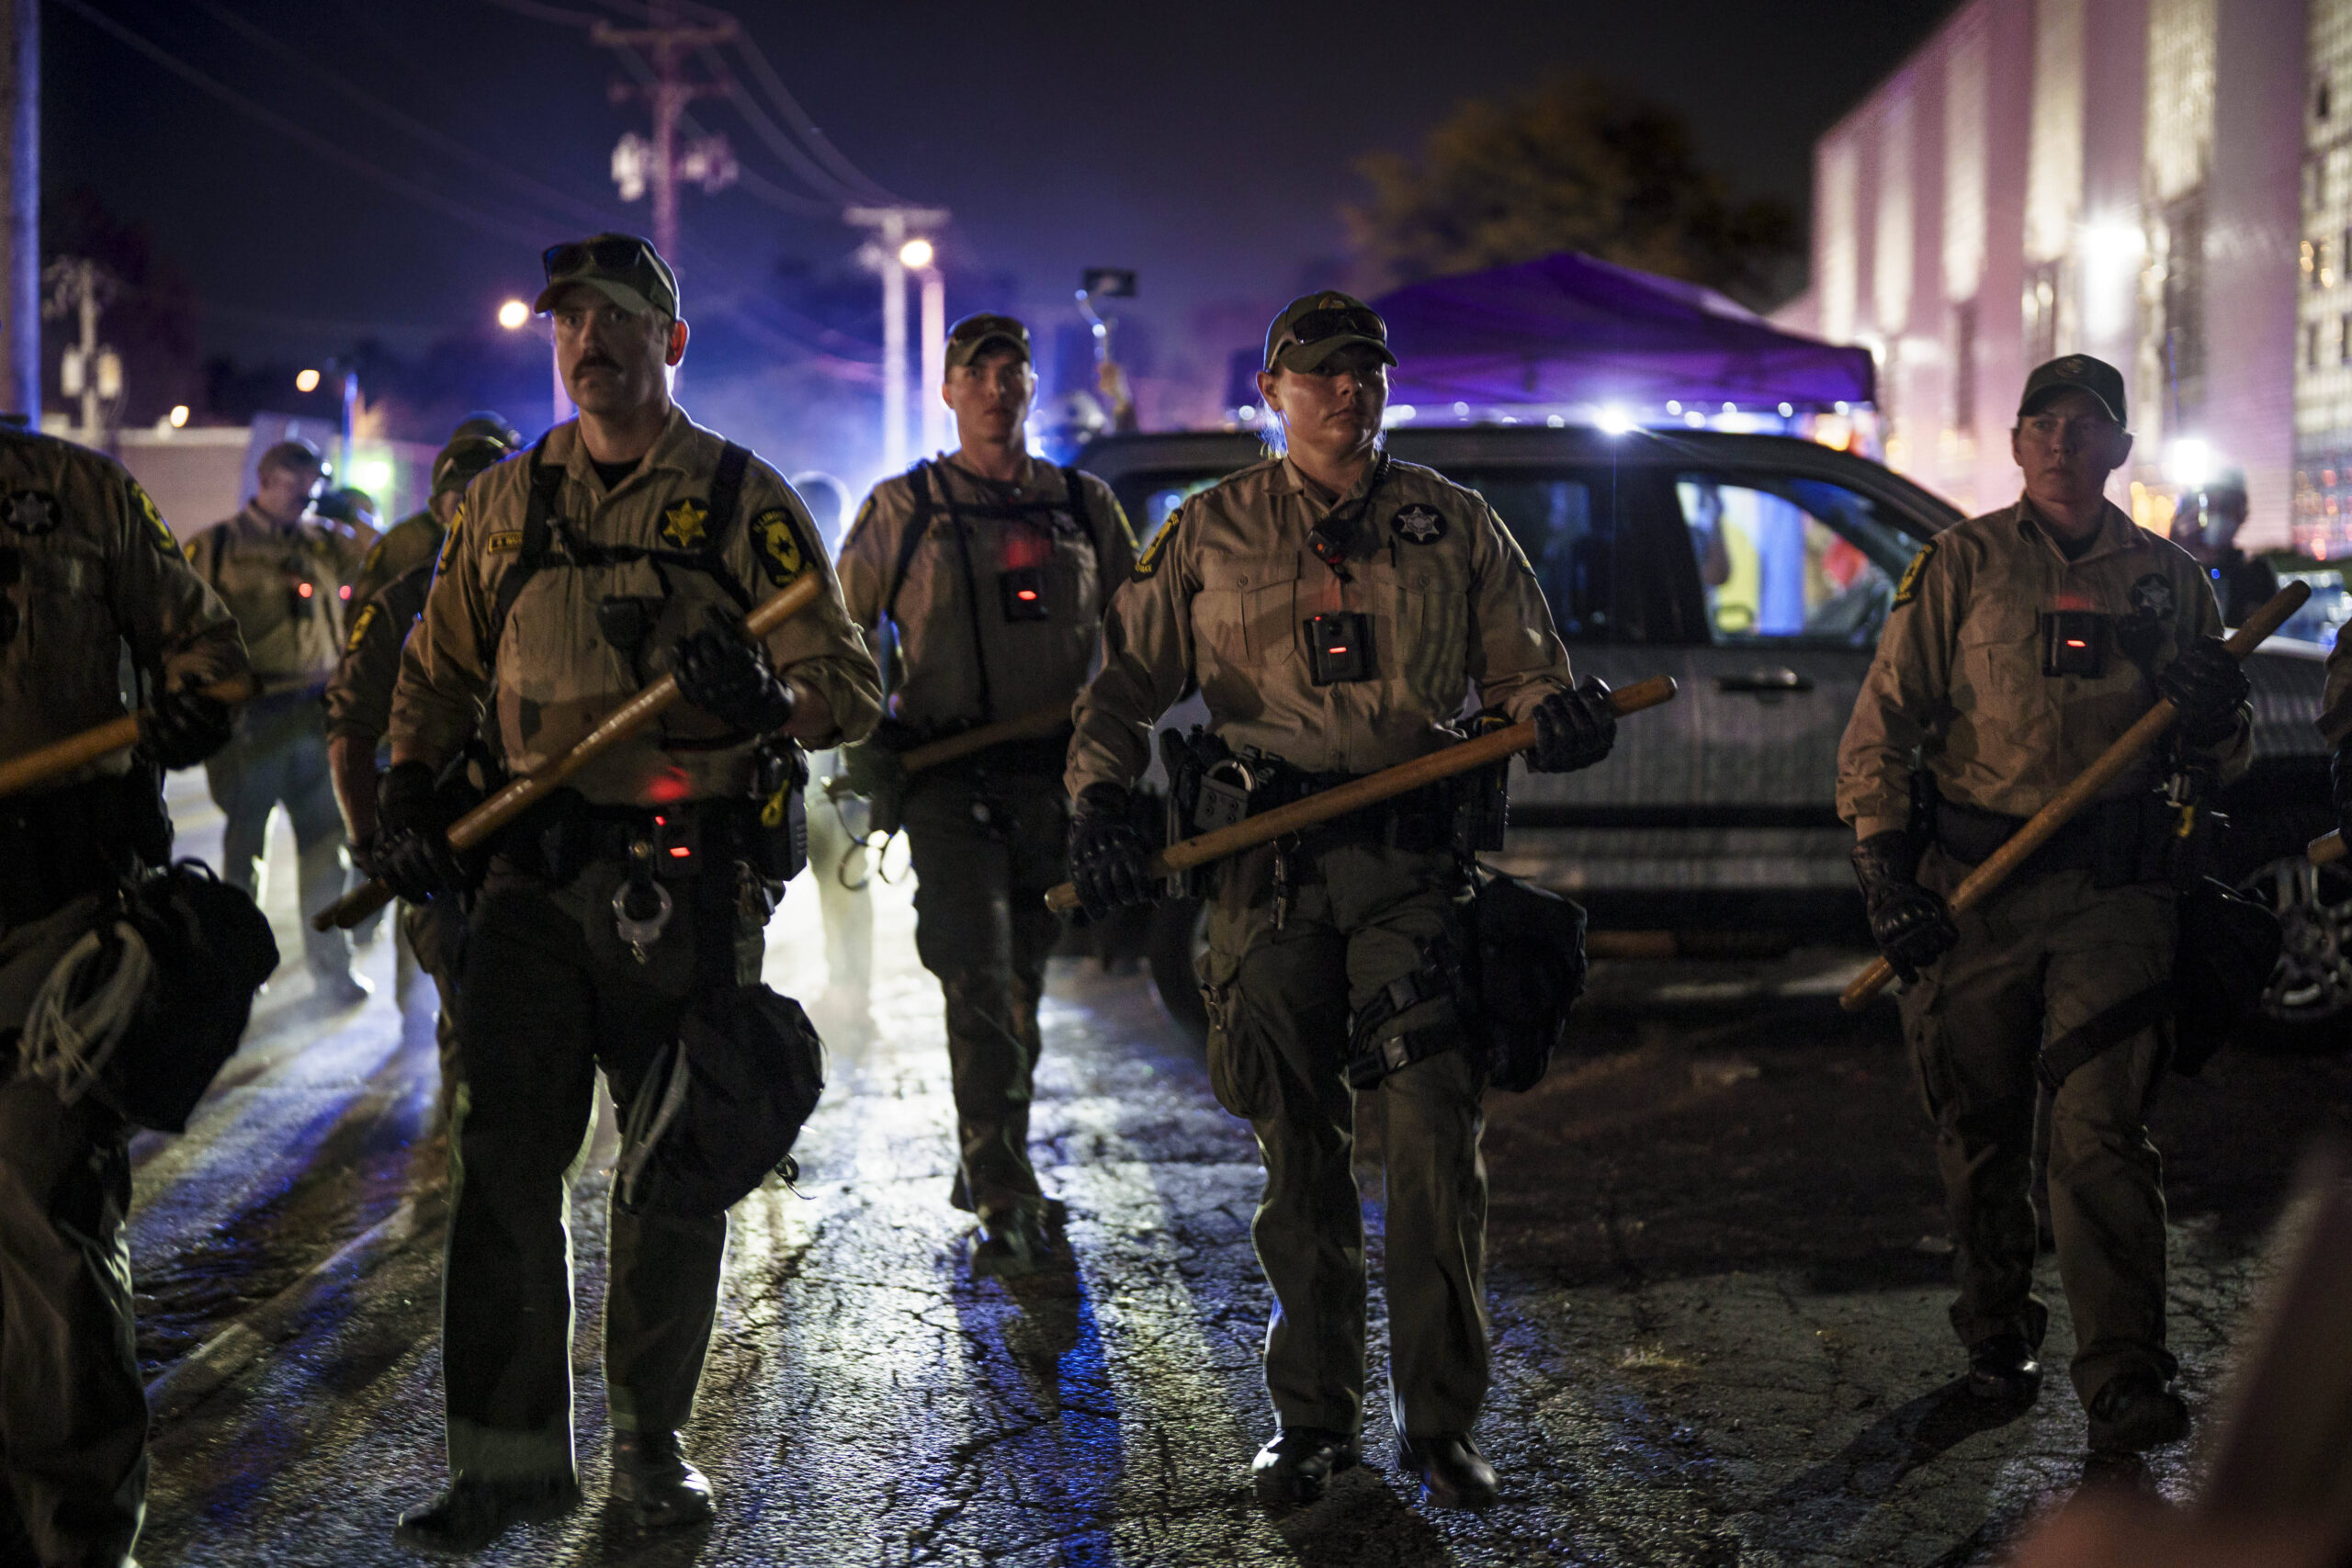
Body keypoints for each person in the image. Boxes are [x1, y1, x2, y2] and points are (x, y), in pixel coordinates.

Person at [1062, 290, 1618, 1510]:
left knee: (1432, 1137)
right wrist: (1105, 799)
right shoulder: (1203, 534)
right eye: (1317, 374)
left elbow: (1534, 680)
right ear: (1272, 393)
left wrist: (1558, 721)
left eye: (1364, 369)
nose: (1346, 390)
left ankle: (1443, 1421)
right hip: (1266, 878)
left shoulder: (1454, 524)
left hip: (1413, 873)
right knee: (1298, 1152)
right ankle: (1314, 1420)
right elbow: (1118, 691)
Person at [380, 232, 880, 1552]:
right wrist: (412, 785)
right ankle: (504, 1463)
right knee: (502, 1168)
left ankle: (652, 1452)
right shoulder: (502, 503)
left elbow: (850, 688)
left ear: (671, 340)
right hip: (529, 884)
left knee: (668, 1167)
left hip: (686, 883)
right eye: (569, 321)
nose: (588, 339)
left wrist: (766, 698)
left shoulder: (737, 499)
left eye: (616, 318)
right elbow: (432, 674)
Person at [1837, 355, 2252, 1457]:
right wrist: (1884, 874)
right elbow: (1884, 726)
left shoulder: (2171, 582)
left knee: (2097, 1130)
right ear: (2017, 446)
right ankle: (1993, 1336)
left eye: (2086, 427)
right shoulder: (1957, 567)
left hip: (2113, 897)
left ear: (2119, 449)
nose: (2063, 445)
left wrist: (2214, 715)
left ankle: (2123, 1372)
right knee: (1978, 1130)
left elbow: (2226, 754)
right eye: (2043, 426)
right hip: (1977, 890)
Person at [835, 312, 1136, 1273]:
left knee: (1022, 983)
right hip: (945, 782)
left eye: (1013, 372)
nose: (997, 389)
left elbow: (1141, 637)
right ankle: (1001, 1180)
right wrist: (867, 731)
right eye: (979, 372)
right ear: (950, 392)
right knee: (976, 975)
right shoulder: (905, 508)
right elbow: (839, 637)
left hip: (1052, 780)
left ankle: (990, 1154)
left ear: (1031, 388)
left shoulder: (1084, 507)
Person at [0, 424, 248, 1568]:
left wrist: (197, 698)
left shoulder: (77, 491)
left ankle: (83, 1542)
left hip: (48, 923)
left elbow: (205, 643)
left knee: (48, 1232)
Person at [323, 434, 511, 1118]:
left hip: (542, 838)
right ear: (439, 507)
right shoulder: (404, 600)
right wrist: (370, 839)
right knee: (473, 1015)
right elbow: (350, 729)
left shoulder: (554, 581)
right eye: (466, 497)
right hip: (443, 834)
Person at [190, 437, 373, 1005]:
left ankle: (330, 970)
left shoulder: (322, 540)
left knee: (325, 850)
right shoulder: (217, 545)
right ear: (267, 480)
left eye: (313, 486)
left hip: (316, 714)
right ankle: (236, 973)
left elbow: (380, 554)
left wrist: (347, 511)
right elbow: (185, 621)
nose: (305, 496)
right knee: (244, 855)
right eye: (296, 485)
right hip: (253, 718)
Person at [787, 469, 873, 1014]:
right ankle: (848, 988)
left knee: (844, 880)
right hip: (827, 770)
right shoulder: (849, 581)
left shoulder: (852, 583)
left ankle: (848, 988)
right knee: (843, 882)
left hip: (834, 772)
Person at [347, 423, 516, 615]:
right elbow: (364, 618)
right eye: (463, 503)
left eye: (493, 500)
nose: (480, 516)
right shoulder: (405, 546)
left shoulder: (521, 544)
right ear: (438, 509)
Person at [2167, 467, 2279, 627]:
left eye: (2228, 506)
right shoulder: (2176, 566)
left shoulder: (2258, 573)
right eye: (2212, 504)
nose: (2219, 513)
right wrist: (2174, 552)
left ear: (2243, 513)